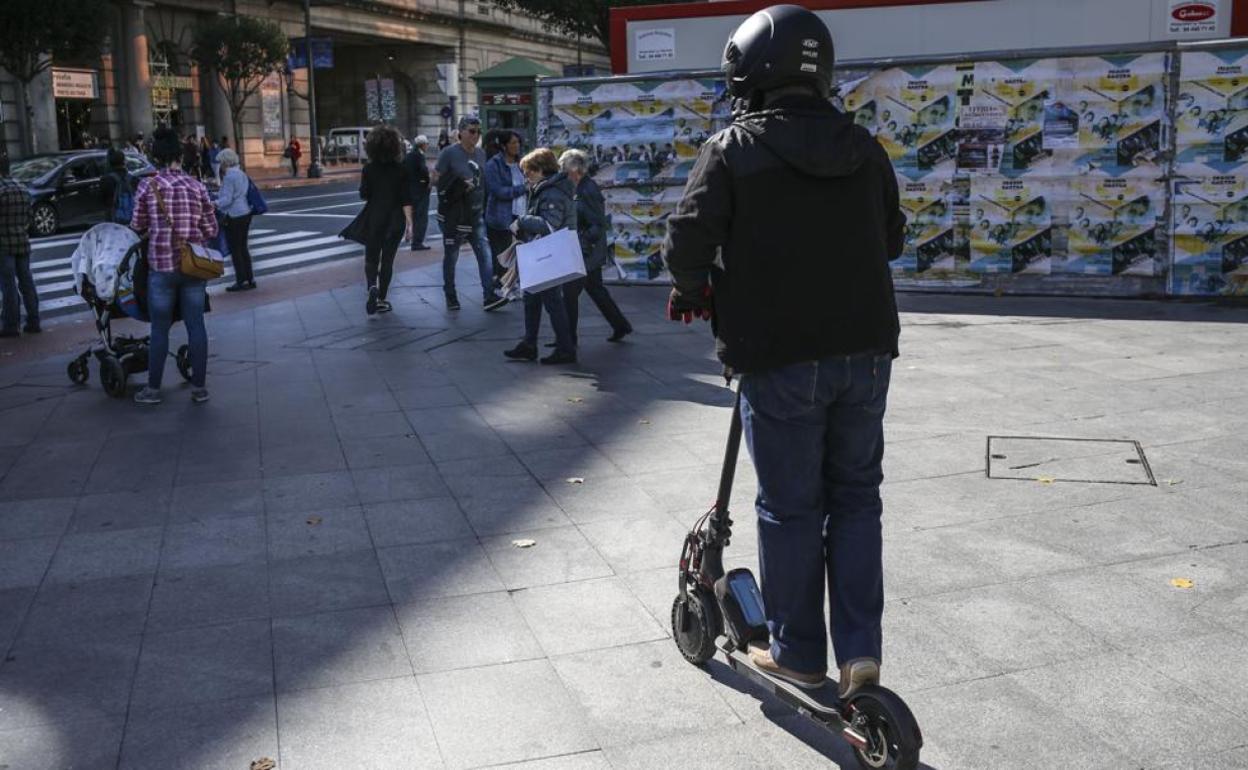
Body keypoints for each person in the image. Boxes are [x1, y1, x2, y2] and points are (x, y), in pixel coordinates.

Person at [663, 5, 905, 701]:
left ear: (749, 71)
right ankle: (860, 654)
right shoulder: (863, 146)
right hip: (865, 351)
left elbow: (685, 241)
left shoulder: (733, 147)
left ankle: (798, 653)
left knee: (790, 507)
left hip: (778, 354)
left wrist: (693, 286)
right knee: (857, 500)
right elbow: (889, 239)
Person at [130, 126, 218, 405]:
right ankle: (199, 388)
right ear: (180, 155)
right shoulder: (197, 186)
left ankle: (153, 389)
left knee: (159, 328)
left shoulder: (147, 186)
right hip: (193, 268)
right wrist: (192, 233)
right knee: (196, 325)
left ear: (156, 157)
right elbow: (211, 228)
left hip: (161, 267)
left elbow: (137, 225)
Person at [502, 148, 577, 365]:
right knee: (533, 299)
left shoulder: (551, 192)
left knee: (553, 302)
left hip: (548, 254)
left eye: (528, 172)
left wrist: (522, 221)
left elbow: (549, 225)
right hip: (544, 252)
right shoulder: (548, 188)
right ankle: (530, 344)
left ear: (541, 170)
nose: (526, 176)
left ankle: (565, 349)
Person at [558, 149, 632, 344]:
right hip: (588, 250)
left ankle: (568, 340)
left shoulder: (587, 190)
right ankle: (620, 325)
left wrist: (581, 241)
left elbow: (596, 224)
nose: (563, 173)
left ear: (575, 169)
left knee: (569, 294)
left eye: (565, 169)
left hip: (585, 251)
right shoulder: (581, 187)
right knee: (595, 290)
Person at [435, 116, 506, 312]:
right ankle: (450, 294)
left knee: (484, 254)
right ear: (461, 132)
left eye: (478, 131)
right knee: (452, 255)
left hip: (475, 214)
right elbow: (436, 180)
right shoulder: (449, 153)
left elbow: (483, 182)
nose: (476, 135)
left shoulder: (481, 154)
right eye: (472, 131)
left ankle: (489, 295)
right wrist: (458, 184)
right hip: (455, 214)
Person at [357, 125, 413, 315]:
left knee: (371, 258)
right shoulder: (401, 169)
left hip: (374, 217)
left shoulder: (369, 169)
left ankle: (372, 285)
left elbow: (364, 194)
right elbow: (407, 198)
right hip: (396, 219)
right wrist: (410, 224)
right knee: (388, 260)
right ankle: (382, 297)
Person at [0, 153, 38, 337]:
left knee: (8, 286)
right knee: (26, 282)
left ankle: (11, 325)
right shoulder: (22, 188)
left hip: (3, 244)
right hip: (22, 242)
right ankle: (33, 320)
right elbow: (30, 218)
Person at [483, 130, 528, 279]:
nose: (517, 146)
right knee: (503, 255)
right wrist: (523, 188)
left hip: (522, 215)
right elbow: (498, 191)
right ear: (504, 145)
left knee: (521, 252)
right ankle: (501, 284)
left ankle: (517, 283)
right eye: (513, 143)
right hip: (501, 217)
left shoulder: (522, 163)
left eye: (518, 142)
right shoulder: (493, 165)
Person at [215, 148, 257, 292]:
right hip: (245, 212)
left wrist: (213, 203)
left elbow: (227, 199)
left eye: (220, 162)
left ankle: (241, 280)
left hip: (234, 215)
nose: (219, 165)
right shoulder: (241, 173)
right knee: (243, 247)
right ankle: (250, 279)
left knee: (235, 249)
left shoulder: (229, 176)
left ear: (225, 162)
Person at [403, 135, 432, 251]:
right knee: (421, 216)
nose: (427, 146)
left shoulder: (409, 155)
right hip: (420, 189)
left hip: (410, 189)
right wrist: (428, 181)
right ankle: (417, 242)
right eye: (427, 144)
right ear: (423, 145)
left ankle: (410, 235)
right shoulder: (419, 156)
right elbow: (423, 170)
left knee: (413, 215)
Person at [99, 148, 136, 225]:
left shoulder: (106, 179)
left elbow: (103, 200)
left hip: (113, 217)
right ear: (124, 161)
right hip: (133, 217)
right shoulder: (133, 178)